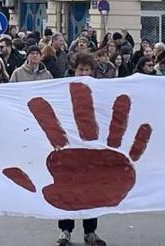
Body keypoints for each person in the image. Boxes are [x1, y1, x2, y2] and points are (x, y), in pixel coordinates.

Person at [56, 52, 106, 246]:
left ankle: (90, 232)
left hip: (92, 149)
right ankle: (65, 231)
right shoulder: (63, 89)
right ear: (74, 70)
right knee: (67, 190)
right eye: (80, 70)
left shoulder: (100, 91)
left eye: (87, 70)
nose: (84, 73)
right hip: (69, 147)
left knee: (90, 191)